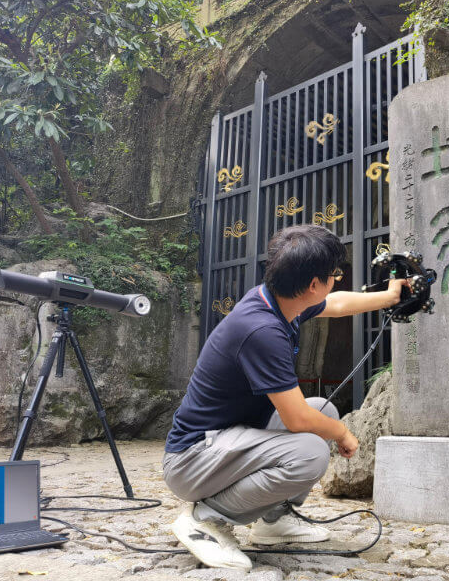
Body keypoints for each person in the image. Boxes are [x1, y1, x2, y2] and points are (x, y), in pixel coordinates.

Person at [163, 224, 407, 570]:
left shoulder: (277, 300)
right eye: (334, 275)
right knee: (311, 452)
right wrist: (341, 434)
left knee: (322, 409)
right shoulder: (262, 329)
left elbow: (335, 304)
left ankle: (274, 522)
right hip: (192, 458)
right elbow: (296, 420)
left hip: (227, 438)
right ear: (312, 285)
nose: (335, 281)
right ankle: (206, 518)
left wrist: (390, 297)